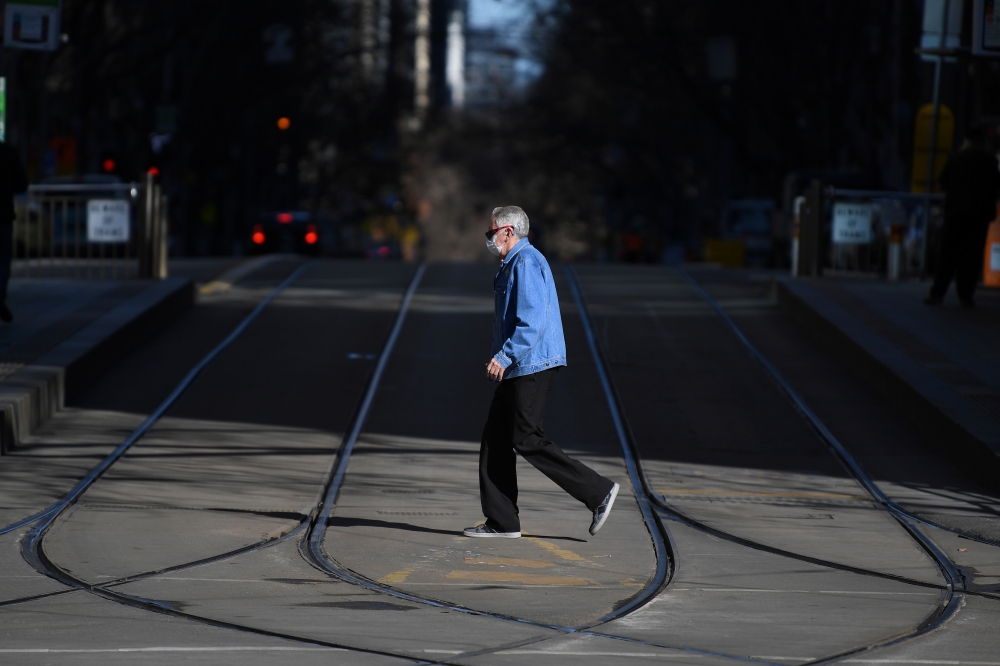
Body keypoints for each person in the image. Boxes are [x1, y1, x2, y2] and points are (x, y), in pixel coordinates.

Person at [464, 206, 619, 539]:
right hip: (521, 364)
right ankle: (502, 521)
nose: (490, 239)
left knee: (527, 437)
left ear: (508, 231)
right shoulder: (514, 264)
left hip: (531, 363)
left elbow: (531, 322)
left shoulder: (526, 262)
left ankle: (598, 492)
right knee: (496, 439)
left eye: (492, 233)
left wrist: (504, 357)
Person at [925, 127, 1000, 308]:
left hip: (955, 214)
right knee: (971, 257)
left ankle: (937, 293)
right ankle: (966, 296)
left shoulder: (955, 159)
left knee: (947, 254)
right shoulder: (989, 162)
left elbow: (941, 183)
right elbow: (997, 188)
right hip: (979, 216)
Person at [0, 143, 28, 323]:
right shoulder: (8, 152)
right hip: (2, 217)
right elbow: (22, 184)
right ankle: (0, 296)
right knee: (2, 260)